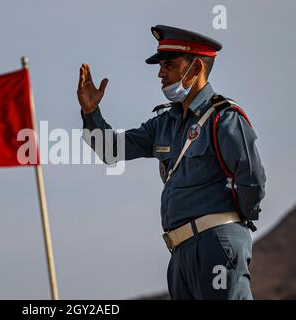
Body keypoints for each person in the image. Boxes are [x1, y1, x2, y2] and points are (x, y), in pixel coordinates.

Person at [77, 25, 266, 300]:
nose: (160, 73)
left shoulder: (224, 119)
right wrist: (90, 112)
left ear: (196, 66)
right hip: (180, 252)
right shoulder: (164, 124)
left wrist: (228, 226)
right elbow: (111, 150)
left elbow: (252, 181)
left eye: (169, 65)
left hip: (216, 245)